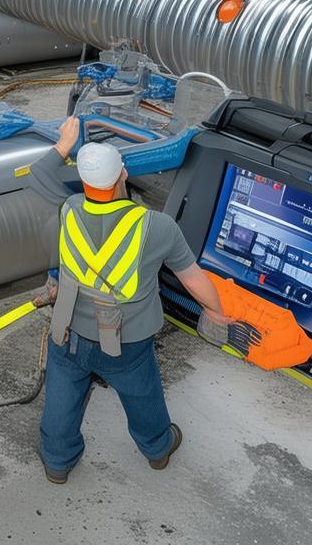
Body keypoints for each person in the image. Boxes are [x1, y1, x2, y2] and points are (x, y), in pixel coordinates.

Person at [27, 118, 230, 485]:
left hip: (69, 331)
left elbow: (38, 175)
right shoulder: (157, 226)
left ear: (83, 181)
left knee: (62, 394)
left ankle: (57, 460)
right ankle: (158, 449)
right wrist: (215, 312)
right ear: (122, 174)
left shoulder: (68, 208)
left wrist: (64, 143)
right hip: (126, 340)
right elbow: (193, 278)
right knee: (142, 395)